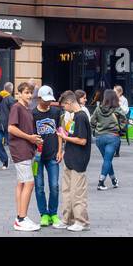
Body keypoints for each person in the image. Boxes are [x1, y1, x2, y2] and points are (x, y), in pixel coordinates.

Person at [6, 83, 42, 231]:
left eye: (30, 93)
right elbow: (11, 128)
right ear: (19, 93)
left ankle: (21, 216)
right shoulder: (17, 107)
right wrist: (30, 138)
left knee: (22, 183)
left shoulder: (26, 109)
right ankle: (21, 218)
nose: (29, 95)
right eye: (26, 92)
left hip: (26, 149)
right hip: (20, 149)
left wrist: (34, 140)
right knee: (29, 183)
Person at [57, 90, 92, 231]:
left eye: (64, 106)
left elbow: (83, 140)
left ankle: (81, 222)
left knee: (77, 193)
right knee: (67, 191)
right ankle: (67, 219)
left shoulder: (81, 117)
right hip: (70, 158)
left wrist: (65, 138)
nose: (64, 109)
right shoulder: (74, 116)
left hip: (79, 159)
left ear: (70, 103)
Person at [32, 86, 63, 227]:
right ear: (39, 99)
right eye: (46, 100)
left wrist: (60, 150)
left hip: (52, 155)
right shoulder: (32, 114)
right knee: (39, 186)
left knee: (54, 185)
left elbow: (59, 131)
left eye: (50, 100)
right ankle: (43, 214)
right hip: (36, 157)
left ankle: (53, 213)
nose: (48, 103)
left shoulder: (56, 112)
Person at [91, 90, 124, 190]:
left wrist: (95, 130)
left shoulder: (98, 108)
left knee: (107, 160)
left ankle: (114, 180)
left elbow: (92, 121)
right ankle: (101, 182)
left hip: (100, 138)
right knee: (107, 160)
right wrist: (120, 129)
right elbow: (124, 120)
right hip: (113, 137)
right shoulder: (117, 109)